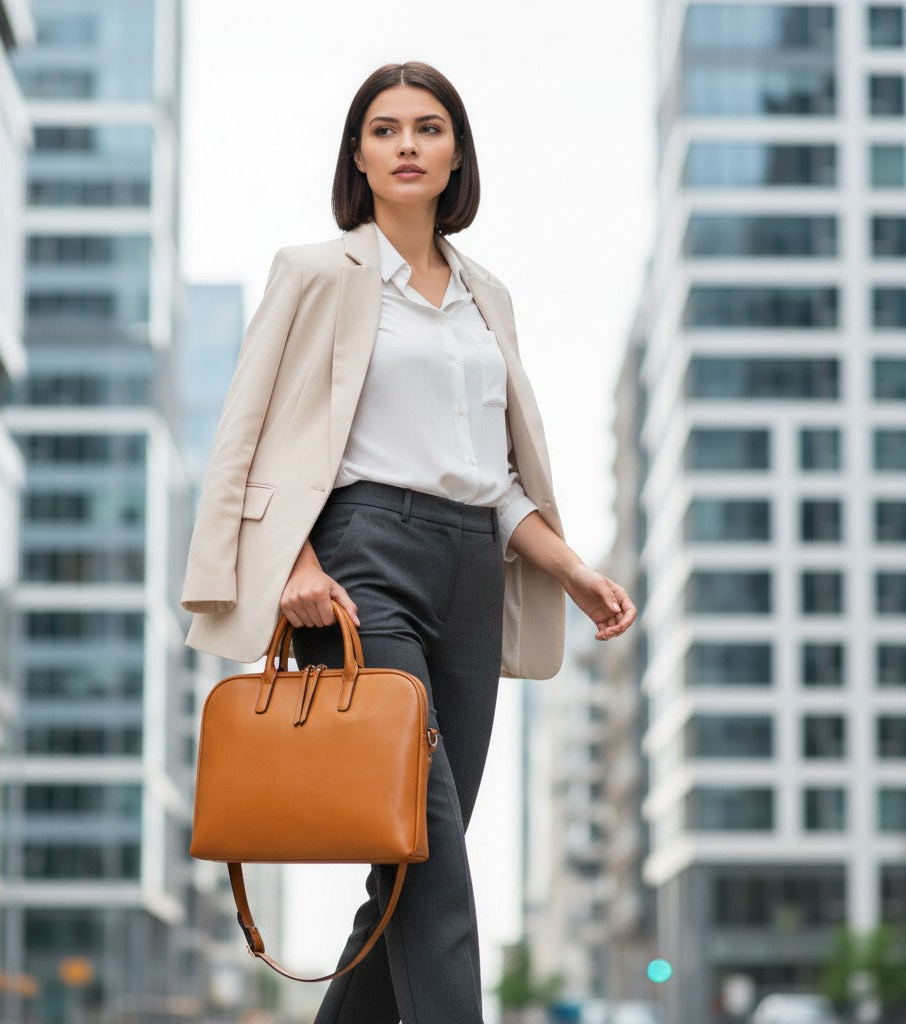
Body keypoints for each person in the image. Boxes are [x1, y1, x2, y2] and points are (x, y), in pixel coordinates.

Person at [181, 61, 636, 1024]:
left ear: (456, 152)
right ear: (358, 154)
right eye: (385, 130)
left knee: (411, 854)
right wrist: (292, 565)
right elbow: (248, 435)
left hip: (472, 565)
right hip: (359, 561)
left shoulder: (486, 298)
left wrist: (574, 570)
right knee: (434, 850)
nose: (407, 145)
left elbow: (494, 475)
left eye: (428, 129)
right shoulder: (314, 274)